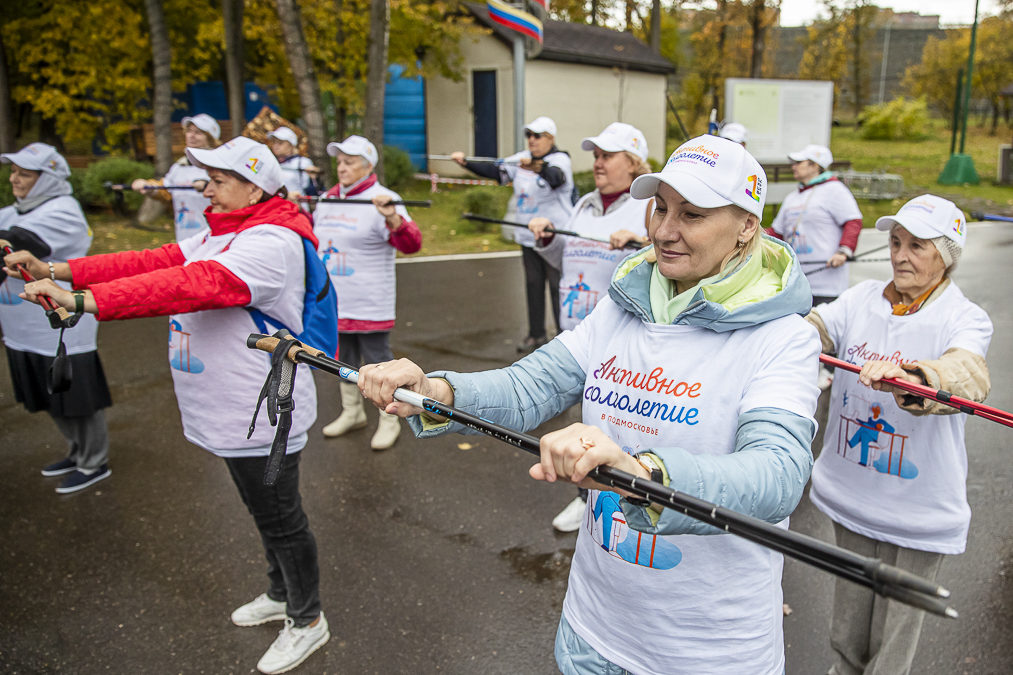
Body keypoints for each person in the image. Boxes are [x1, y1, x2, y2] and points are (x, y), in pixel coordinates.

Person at [357, 135, 821, 675]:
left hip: (704, 652)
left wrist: (642, 472)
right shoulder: (625, 306)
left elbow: (780, 474)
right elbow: (529, 387)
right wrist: (437, 391)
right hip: (593, 629)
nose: (665, 230)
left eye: (692, 214)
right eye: (661, 207)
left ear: (746, 226)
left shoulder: (783, 336)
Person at [7, 137, 330, 674]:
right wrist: (56, 270)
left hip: (262, 413)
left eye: (218, 180)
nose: (205, 187)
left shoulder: (271, 241)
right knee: (263, 512)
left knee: (281, 520)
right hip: (232, 410)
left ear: (254, 186)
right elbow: (154, 259)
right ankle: (280, 595)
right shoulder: (224, 231)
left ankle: (308, 619)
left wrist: (86, 303)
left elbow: (193, 284)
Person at [805, 195, 991, 675]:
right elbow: (818, 328)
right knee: (846, 631)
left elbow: (967, 371)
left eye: (917, 246)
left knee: (892, 645)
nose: (900, 255)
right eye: (895, 242)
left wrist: (917, 379)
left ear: (946, 256)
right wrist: (793, 335)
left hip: (918, 511)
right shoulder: (863, 297)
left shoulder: (964, 316)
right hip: (851, 496)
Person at [526, 122, 653, 532]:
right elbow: (570, 259)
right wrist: (548, 240)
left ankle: (626, 500)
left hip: (621, 341)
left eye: (606, 156)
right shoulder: (584, 205)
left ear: (632, 163)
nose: (596, 163)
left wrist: (640, 243)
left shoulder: (648, 208)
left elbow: (667, 267)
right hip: (576, 333)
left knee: (610, 425)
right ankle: (588, 497)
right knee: (585, 423)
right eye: (595, 156)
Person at [0, 143, 113, 494]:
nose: (14, 179)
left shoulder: (64, 211)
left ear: (47, 178)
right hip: (21, 328)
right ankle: (75, 451)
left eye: (25, 174)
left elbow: (21, 243)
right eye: (13, 171)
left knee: (74, 396)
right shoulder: (11, 211)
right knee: (48, 396)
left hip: (59, 329)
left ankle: (94, 461)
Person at [315, 135, 422, 450]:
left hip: (369, 301)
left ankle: (389, 421)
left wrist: (391, 217)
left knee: (378, 365)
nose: (342, 167)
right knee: (343, 360)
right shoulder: (327, 198)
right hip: (334, 300)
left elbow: (411, 244)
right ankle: (352, 413)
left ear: (368, 165)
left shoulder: (384, 197)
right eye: (339, 161)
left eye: (350, 161)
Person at [451, 116, 574, 351]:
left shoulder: (560, 159)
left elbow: (556, 178)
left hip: (555, 237)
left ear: (551, 138)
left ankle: (563, 340)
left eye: (537, 136)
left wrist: (535, 166)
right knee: (533, 284)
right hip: (528, 236)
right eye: (529, 135)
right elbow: (495, 170)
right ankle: (536, 335)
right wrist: (466, 162)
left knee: (558, 287)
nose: (532, 140)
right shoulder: (520, 159)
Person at [132, 113, 220, 242]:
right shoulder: (179, 166)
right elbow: (166, 191)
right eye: (189, 131)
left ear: (210, 138)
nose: (191, 135)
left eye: (198, 132)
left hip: (213, 239)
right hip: (184, 240)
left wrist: (208, 186)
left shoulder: (218, 166)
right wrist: (150, 187)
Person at [267, 126, 319, 204]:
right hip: (276, 209)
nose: (276, 146)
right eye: (274, 142)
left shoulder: (303, 163)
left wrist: (314, 179)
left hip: (298, 209)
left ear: (291, 145)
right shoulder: (271, 164)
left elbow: (311, 191)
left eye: (280, 143)